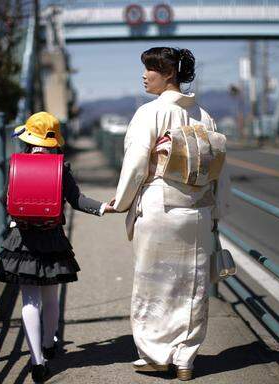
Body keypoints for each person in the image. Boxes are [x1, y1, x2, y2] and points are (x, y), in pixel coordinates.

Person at [110, 47, 229, 381]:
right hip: (199, 209)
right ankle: (186, 358)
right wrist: (217, 210)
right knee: (191, 285)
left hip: (161, 204)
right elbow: (221, 167)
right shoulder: (205, 116)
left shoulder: (150, 113)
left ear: (169, 74)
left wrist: (120, 202)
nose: (145, 75)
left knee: (154, 284)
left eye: (151, 69)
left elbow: (136, 165)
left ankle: (156, 356)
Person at [0, 111, 115, 383]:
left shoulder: (18, 164)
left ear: (28, 138)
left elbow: (6, 201)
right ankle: (49, 345)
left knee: (29, 302)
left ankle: (36, 362)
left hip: (22, 241)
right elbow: (77, 200)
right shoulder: (60, 167)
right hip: (51, 239)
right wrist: (103, 208)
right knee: (50, 298)